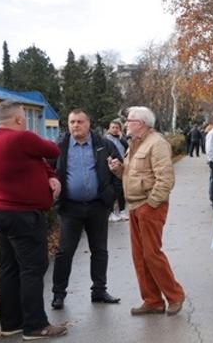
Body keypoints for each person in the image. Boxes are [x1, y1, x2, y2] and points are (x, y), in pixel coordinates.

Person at [0, 100, 68, 339]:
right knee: (33, 268)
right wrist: (31, 135)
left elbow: (36, 162)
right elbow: (53, 151)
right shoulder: (22, 139)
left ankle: (11, 323)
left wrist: (50, 175)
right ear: (19, 119)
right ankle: (35, 325)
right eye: (24, 118)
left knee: (10, 267)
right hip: (22, 214)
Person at [107, 106, 186, 315]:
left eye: (129, 120)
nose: (125, 124)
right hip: (134, 205)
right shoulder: (134, 143)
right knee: (139, 256)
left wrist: (151, 204)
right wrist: (118, 170)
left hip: (149, 206)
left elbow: (166, 179)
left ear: (140, 123)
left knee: (152, 254)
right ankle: (152, 300)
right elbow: (134, 174)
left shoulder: (157, 143)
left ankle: (175, 296)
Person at [50, 109, 123, 310]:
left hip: (98, 206)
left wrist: (113, 197)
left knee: (99, 250)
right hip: (70, 208)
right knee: (65, 252)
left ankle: (99, 291)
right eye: (72, 121)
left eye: (80, 121)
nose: (75, 125)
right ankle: (58, 294)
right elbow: (47, 169)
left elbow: (119, 170)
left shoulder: (103, 145)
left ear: (88, 123)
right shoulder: (60, 146)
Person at [105, 120, 129, 222]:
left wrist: (121, 137)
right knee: (111, 191)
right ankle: (111, 212)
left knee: (120, 189)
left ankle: (122, 210)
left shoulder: (122, 139)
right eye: (113, 127)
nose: (115, 130)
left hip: (121, 166)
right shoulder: (105, 139)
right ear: (109, 128)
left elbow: (128, 148)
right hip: (110, 167)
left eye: (117, 128)